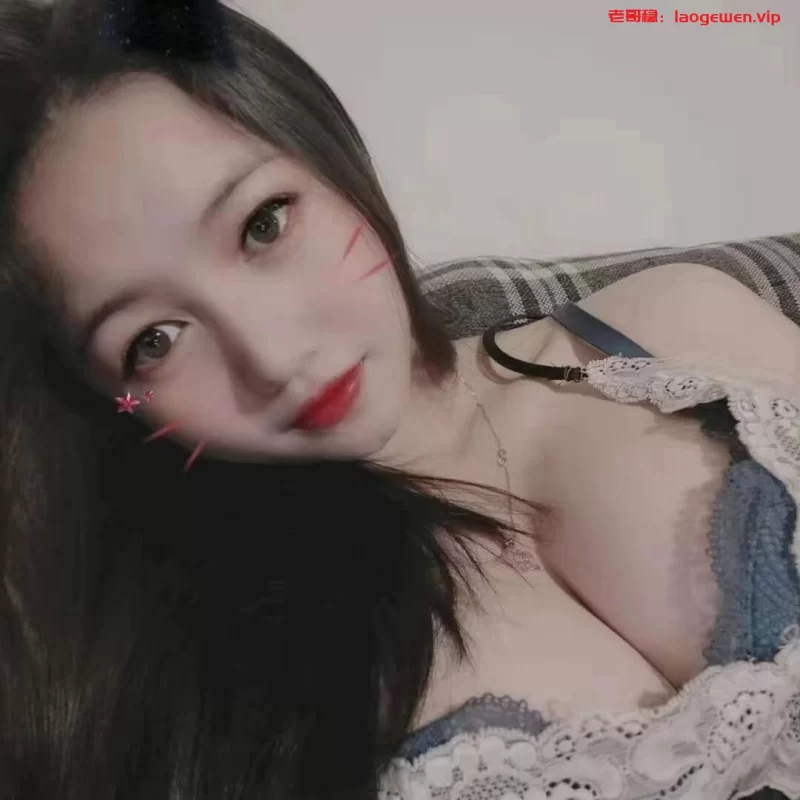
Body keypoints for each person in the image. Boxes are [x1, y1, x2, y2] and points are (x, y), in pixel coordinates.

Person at [0, 0, 798, 798]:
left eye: (264, 225)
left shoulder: (673, 321)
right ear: (111, 402)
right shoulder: (194, 664)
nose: (274, 358)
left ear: (328, 157)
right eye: (154, 341)